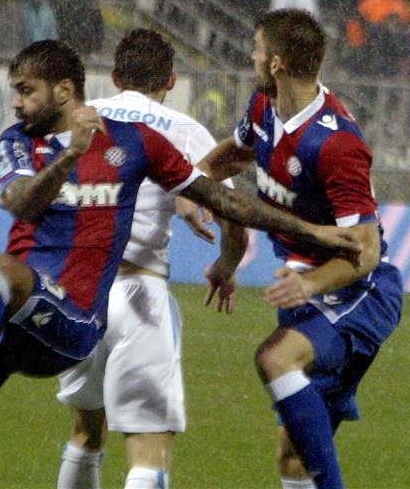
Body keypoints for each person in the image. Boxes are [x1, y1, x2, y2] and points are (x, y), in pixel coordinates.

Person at [0, 39, 361, 489]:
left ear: (66, 90)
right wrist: (67, 156)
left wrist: (310, 230)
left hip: (79, 318)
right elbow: (19, 203)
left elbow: (225, 201)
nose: (15, 102)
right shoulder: (20, 142)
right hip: (20, 315)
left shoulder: (131, 140)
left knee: (6, 279)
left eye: (25, 91)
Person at [200, 9, 403, 489]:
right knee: (293, 459)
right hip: (307, 293)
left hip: (358, 296)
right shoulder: (262, 109)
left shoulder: (336, 144)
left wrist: (308, 282)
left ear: (275, 62)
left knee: (275, 359)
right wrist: (198, 187)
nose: (249, 56)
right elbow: (226, 159)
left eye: (255, 49)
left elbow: (367, 251)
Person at [55, 29, 244, 489]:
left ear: (116, 75)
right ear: (172, 80)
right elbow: (233, 217)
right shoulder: (182, 130)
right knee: (148, 453)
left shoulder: (78, 121)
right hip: (139, 294)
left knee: (86, 432)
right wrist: (226, 265)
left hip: (74, 294)